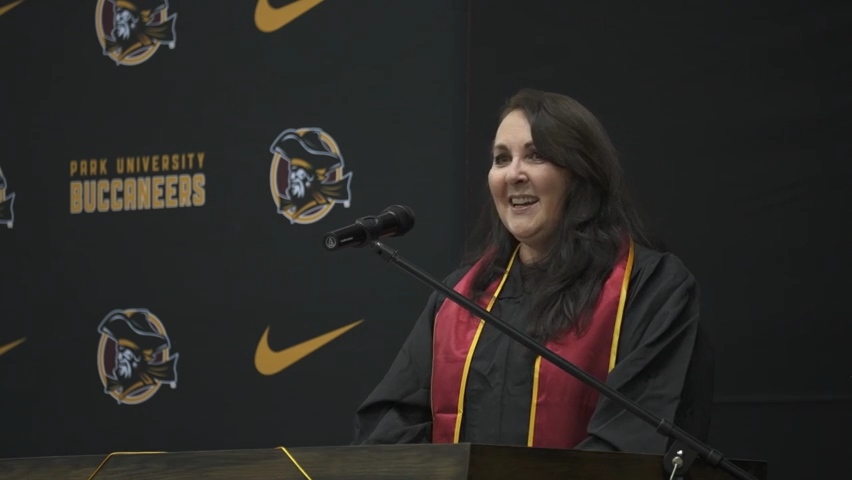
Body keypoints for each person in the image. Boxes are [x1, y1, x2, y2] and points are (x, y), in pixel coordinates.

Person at [352, 88, 714, 454]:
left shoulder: (649, 288)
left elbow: (636, 436)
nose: (513, 174)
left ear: (582, 173)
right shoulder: (461, 296)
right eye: (501, 159)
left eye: (536, 155)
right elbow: (389, 424)